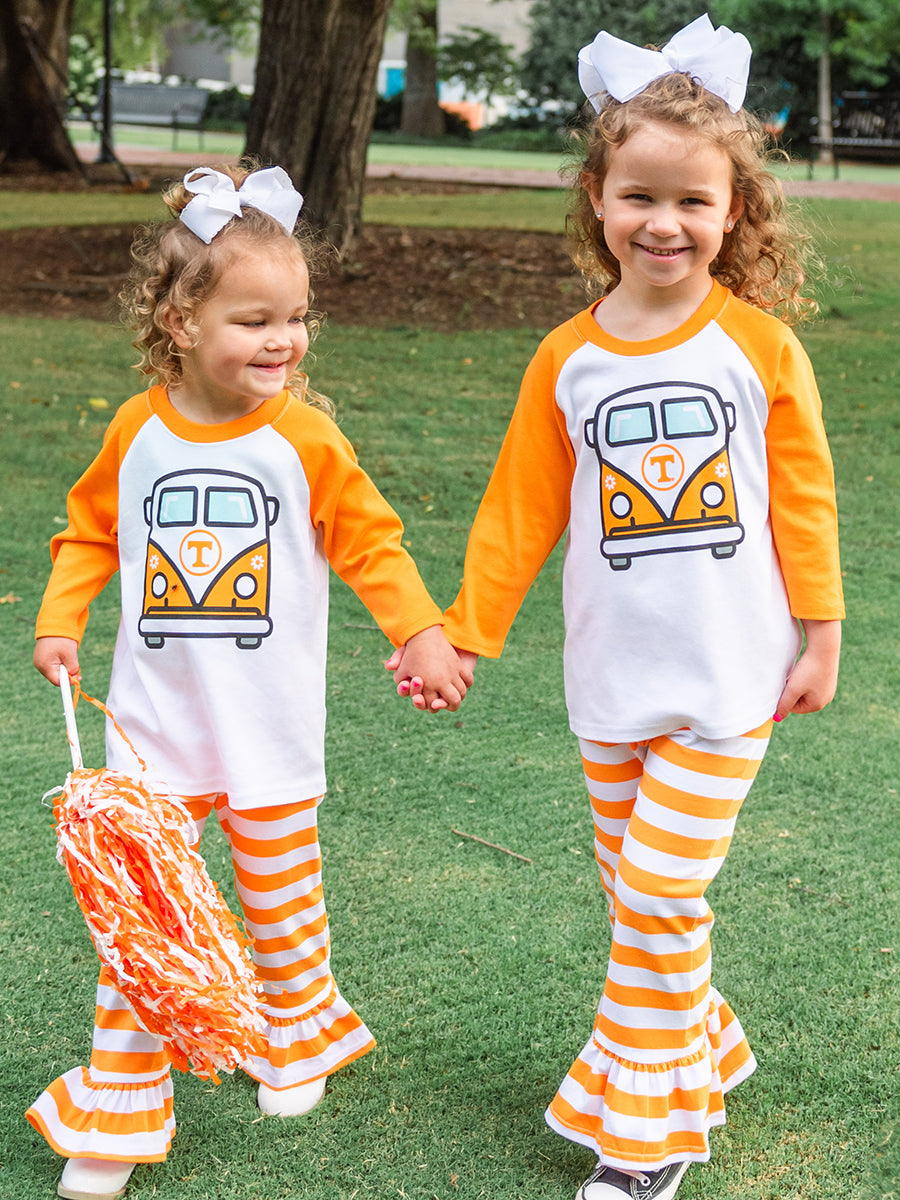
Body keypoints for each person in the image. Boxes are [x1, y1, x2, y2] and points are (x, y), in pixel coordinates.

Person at [391, 15, 844, 1200]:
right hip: (608, 684)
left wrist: (823, 634)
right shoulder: (567, 359)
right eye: (638, 194)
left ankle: (645, 1141)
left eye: (693, 201)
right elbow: (517, 511)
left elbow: (804, 498)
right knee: (634, 894)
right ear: (597, 199)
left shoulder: (756, 347)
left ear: (735, 211)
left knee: (657, 890)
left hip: (731, 678)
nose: (665, 222)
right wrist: (465, 634)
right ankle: (710, 1044)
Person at [28, 161, 470, 1200]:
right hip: (152, 734)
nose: (284, 342)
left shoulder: (305, 439)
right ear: (179, 320)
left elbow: (374, 545)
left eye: (298, 318)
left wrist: (420, 633)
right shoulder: (136, 429)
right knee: (145, 925)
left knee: (281, 905)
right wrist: (60, 621)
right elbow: (87, 531)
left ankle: (295, 1036)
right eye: (255, 320)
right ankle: (119, 1109)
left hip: (266, 730)